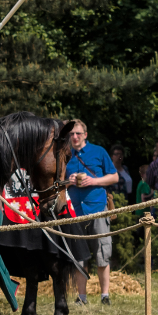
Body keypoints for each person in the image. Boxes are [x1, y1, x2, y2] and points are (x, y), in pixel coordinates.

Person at [65, 119, 118, 305]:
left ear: (85, 135)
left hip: (97, 209)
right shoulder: (64, 155)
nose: (75, 137)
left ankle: (105, 296)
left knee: (102, 253)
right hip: (75, 212)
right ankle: (82, 297)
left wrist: (93, 181)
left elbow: (114, 176)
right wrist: (68, 181)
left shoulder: (99, 152)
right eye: (71, 134)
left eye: (78, 133)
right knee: (79, 256)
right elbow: (56, 184)